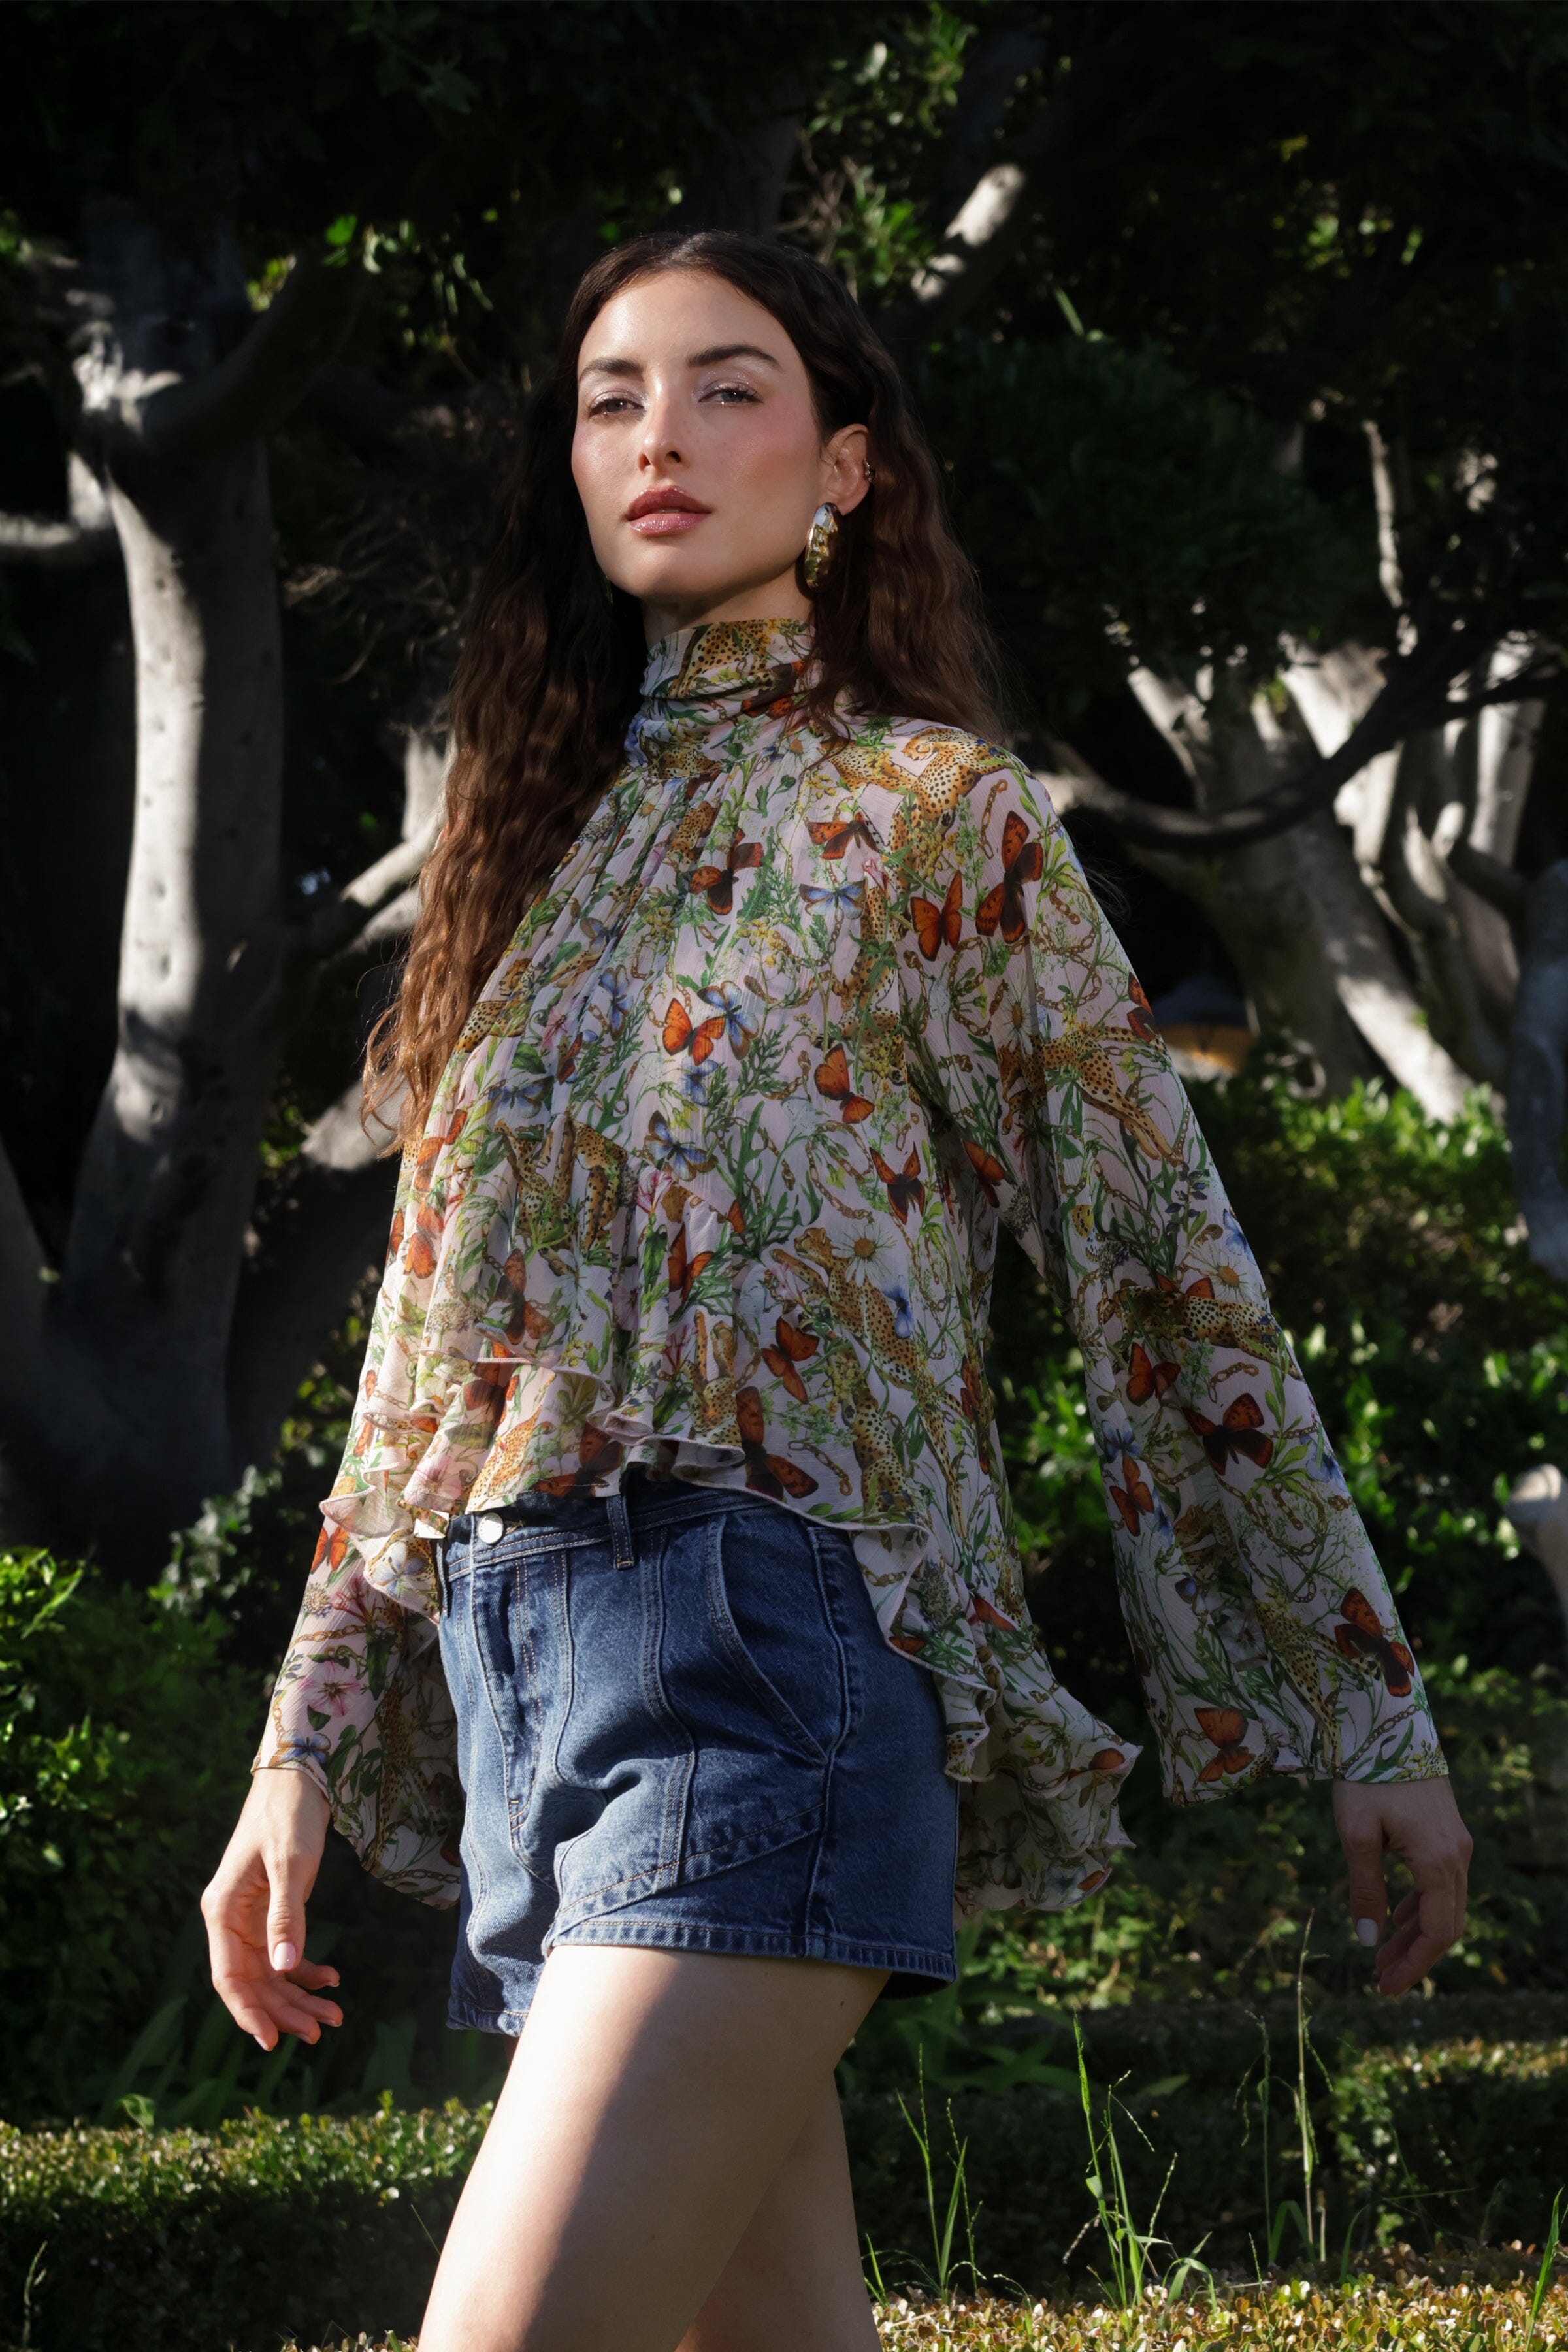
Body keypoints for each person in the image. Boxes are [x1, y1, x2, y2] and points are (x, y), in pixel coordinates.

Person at [203, 231, 1473, 2352]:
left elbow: (1167, 1269)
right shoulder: (541, 860)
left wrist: (1367, 1711)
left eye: (728, 387)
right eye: (614, 398)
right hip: (537, 1684)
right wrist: (297, 1752)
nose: (661, 436)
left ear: (849, 465)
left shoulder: (934, 812)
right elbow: (421, 1360)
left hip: (768, 1649)